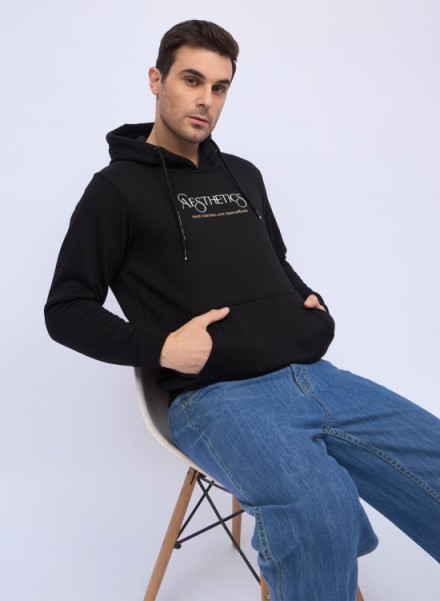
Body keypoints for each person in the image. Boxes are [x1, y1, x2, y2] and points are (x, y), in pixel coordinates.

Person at [45, 19, 439, 601]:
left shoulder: (244, 174)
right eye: (191, 80)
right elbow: (65, 307)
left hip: (315, 377)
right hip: (217, 398)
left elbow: (275, 260)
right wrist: (160, 348)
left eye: (220, 86)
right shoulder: (115, 190)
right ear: (156, 80)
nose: (206, 99)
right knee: (317, 508)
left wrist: (309, 302)